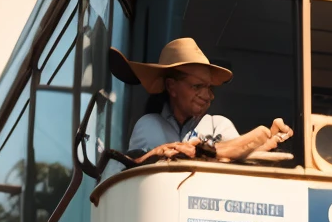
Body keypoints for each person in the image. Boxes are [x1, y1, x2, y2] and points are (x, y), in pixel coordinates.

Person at [123, 39, 294, 164]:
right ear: (171, 86)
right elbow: (131, 171)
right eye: (197, 86)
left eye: (209, 88)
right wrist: (159, 152)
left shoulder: (217, 125)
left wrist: (271, 139)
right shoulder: (149, 125)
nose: (207, 95)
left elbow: (243, 155)